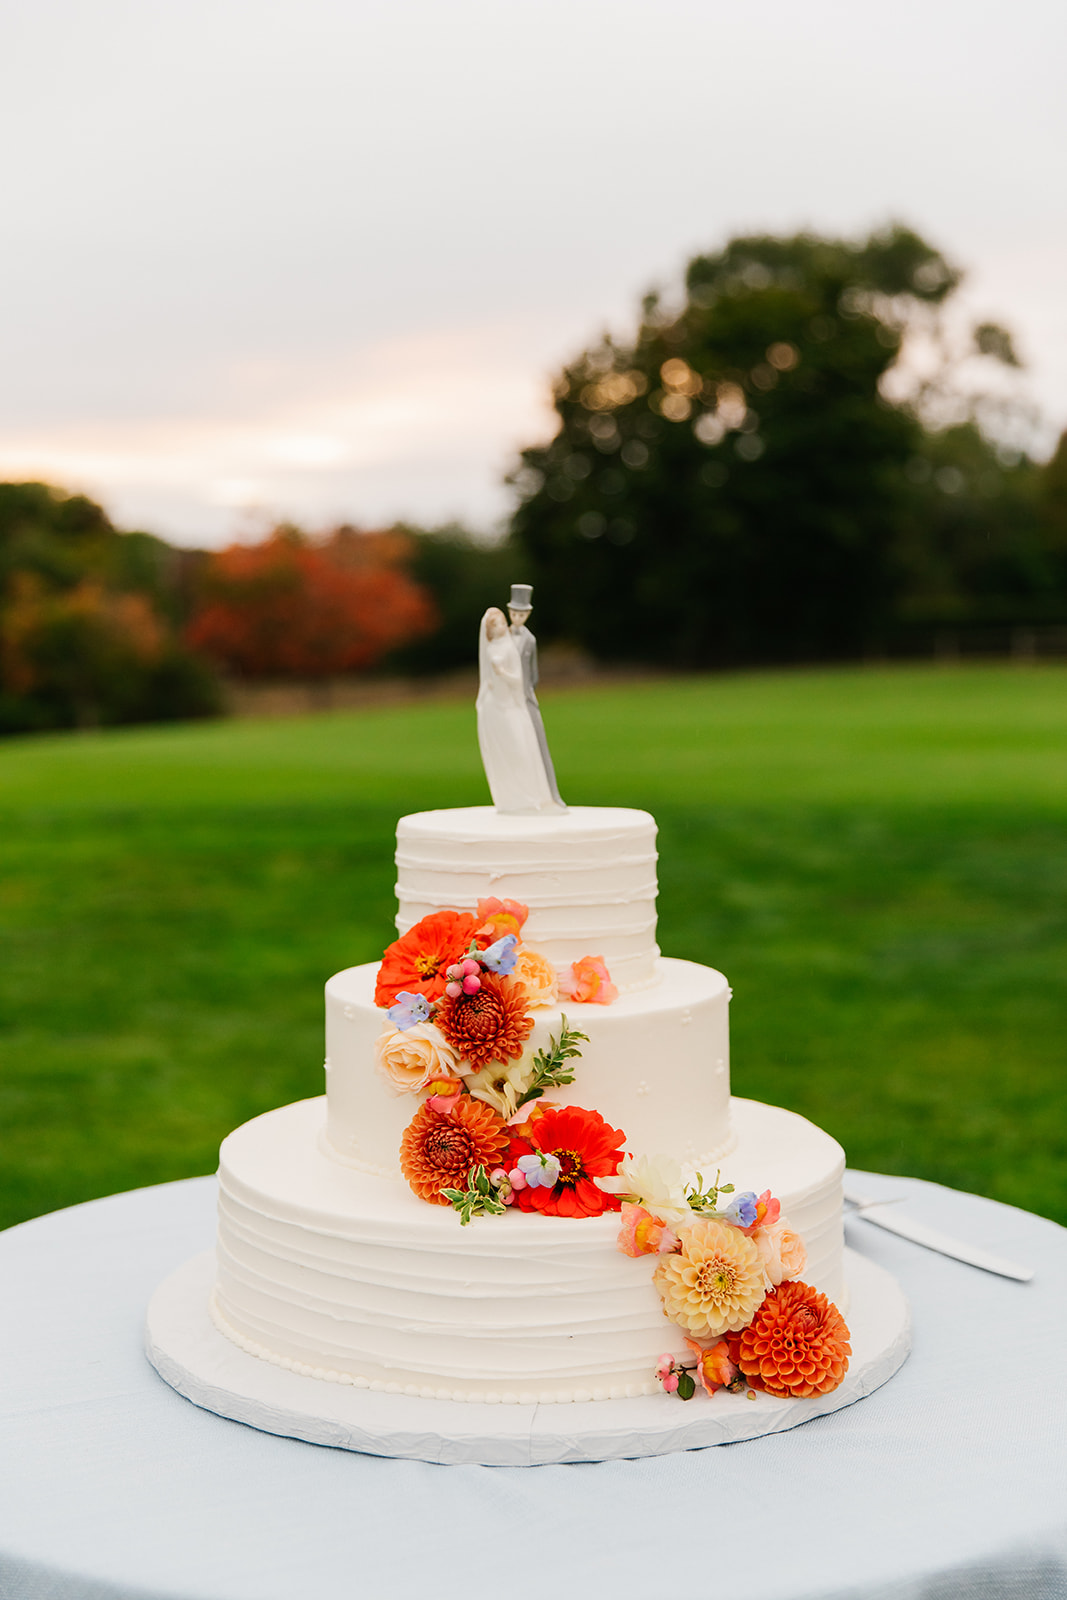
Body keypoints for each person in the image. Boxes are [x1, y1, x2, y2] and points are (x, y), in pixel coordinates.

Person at [476, 607, 556, 813]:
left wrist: (502, 674)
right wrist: (490, 689)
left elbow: (518, 679)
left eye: (503, 622)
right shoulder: (491, 647)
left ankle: (528, 794)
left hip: (510, 704)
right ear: (489, 630)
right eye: (497, 624)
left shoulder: (511, 647)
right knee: (503, 751)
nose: (503, 626)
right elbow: (488, 677)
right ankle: (510, 797)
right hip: (496, 703)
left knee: (519, 746)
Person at [507, 583, 565, 809]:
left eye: (521, 614)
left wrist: (527, 690)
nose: (517, 618)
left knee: (536, 739)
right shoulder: (503, 635)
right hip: (506, 696)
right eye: (514, 613)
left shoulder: (529, 640)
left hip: (524, 694)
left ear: (527, 614)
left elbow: (533, 672)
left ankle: (549, 793)